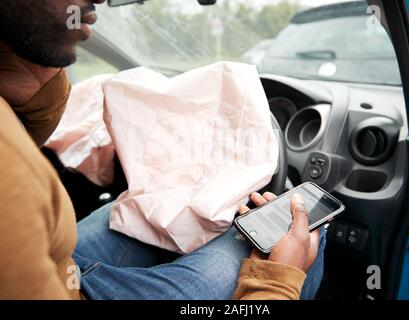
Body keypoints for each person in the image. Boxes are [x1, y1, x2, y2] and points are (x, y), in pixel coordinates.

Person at [0, 0, 325, 300]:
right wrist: (276, 282)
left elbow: (22, 142)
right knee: (302, 226)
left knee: (137, 214)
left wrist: (28, 70)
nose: (98, 1)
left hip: (63, 269)